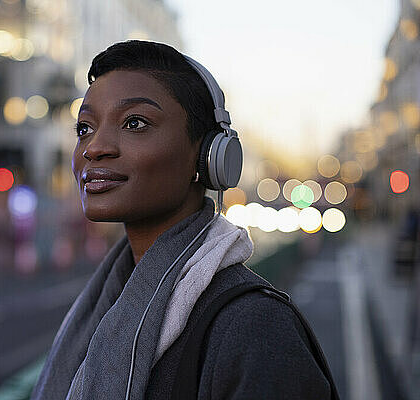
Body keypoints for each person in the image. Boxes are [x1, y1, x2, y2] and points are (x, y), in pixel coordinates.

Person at [31, 40, 337, 399]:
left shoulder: (254, 328)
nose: (94, 147)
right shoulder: (106, 308)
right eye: (84, 128)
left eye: (135, 122)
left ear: (208, 156)